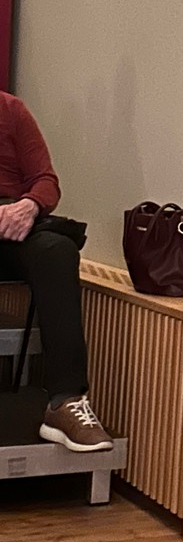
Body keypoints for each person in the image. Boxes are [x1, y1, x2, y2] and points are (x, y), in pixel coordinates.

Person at [0, 91, 112, 451]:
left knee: (57, 250)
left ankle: (66, 402)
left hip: (10, 224)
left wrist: (30, 205)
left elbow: (45, 180)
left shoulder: (11, 109)